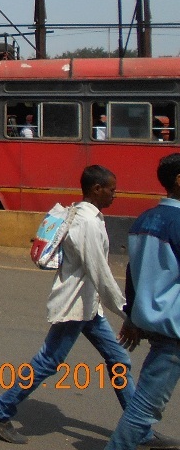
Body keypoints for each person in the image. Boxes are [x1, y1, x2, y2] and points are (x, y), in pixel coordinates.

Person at [0, 165, 175, 447]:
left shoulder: (87, 216)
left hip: (88, 306)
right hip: (74, 306)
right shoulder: (86, 222)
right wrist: (128, 312)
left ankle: (141, 428)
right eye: (111, 189)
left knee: (118, 360)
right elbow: (99, 272)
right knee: (48, 361)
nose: (115, 195)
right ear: (96, 189)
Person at [104, 154, 180, 450]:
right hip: (173, 328)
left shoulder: (144, 220)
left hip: (151, 320)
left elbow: (132, 273)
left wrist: (132, 318)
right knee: (145, 408)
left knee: (147, 401)